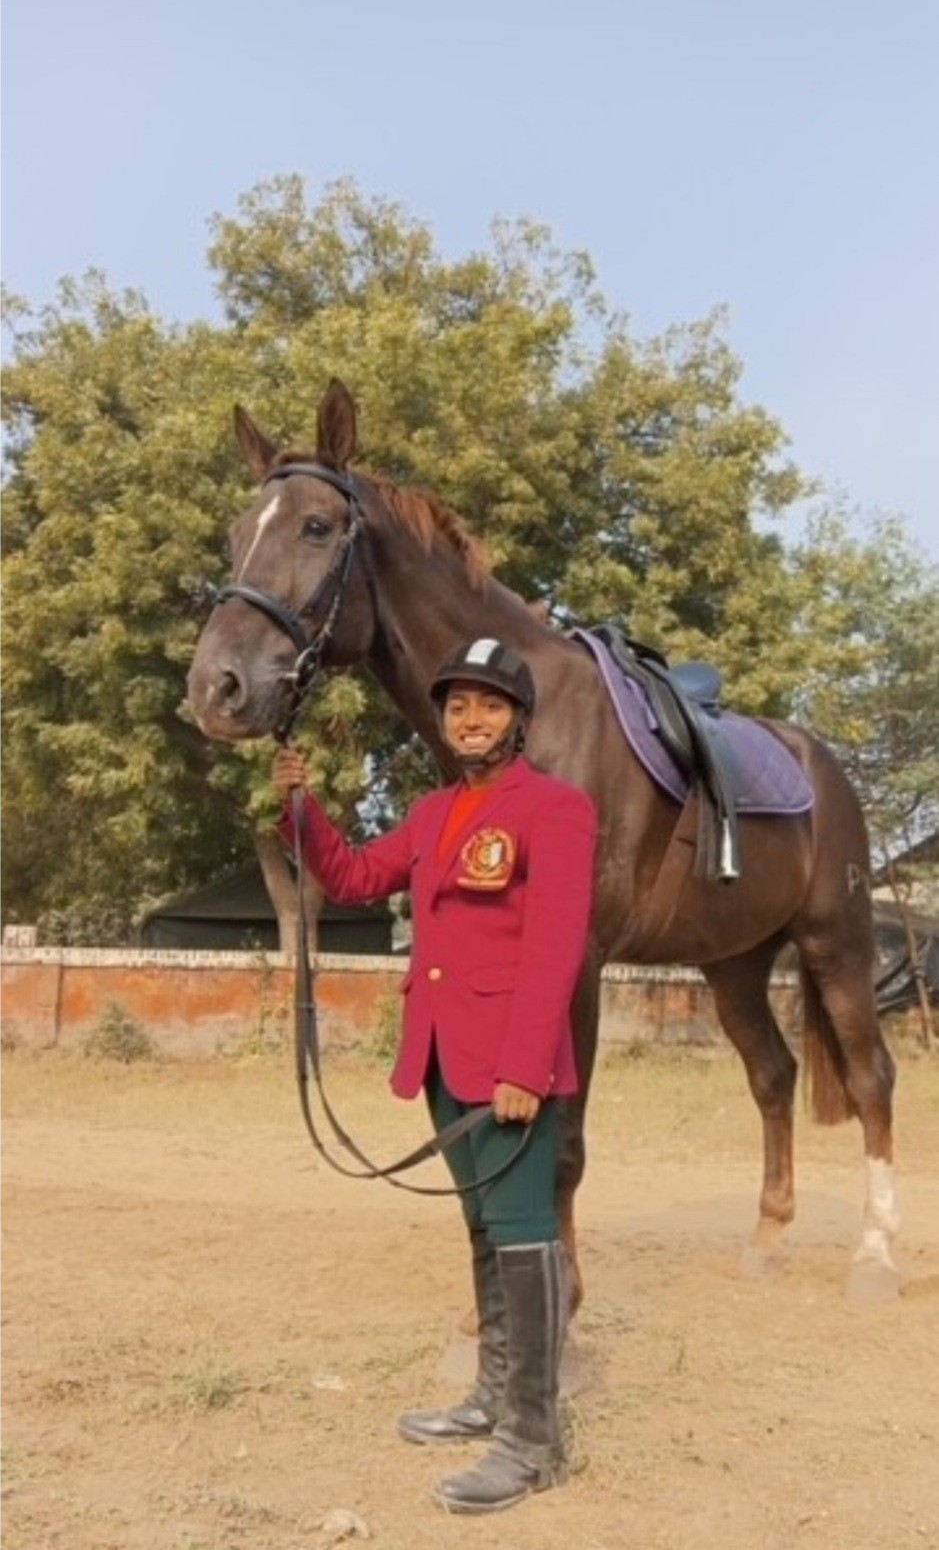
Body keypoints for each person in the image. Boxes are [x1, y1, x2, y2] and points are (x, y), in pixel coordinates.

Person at [272, 637, 597, 1514]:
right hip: (445, 1060)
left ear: (518, 719)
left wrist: (528, 1064)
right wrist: (302, 809)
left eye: (489, 704)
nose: (471, 717)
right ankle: (492, 1395)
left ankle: (533, 1439)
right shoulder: (431, 813)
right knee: (487, 1233)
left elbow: (557, 946)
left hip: (510, 1069)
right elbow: (350, 877)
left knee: (527, 1236)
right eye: (458, 703)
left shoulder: (556, 808)